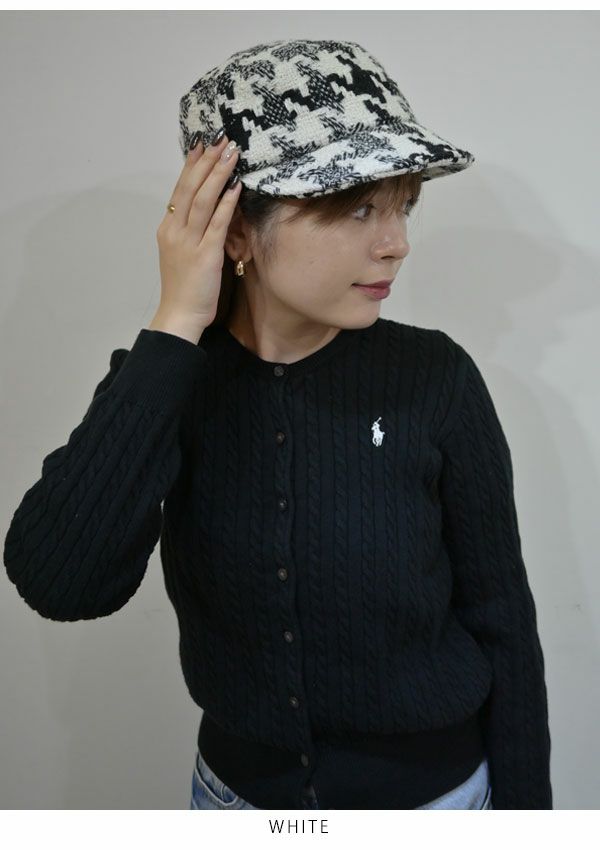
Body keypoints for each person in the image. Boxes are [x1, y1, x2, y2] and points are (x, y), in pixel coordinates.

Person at [3, 39, 552, 810]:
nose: (396, 243)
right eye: (357, 208)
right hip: (234, 801)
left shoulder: (436, 379)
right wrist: (176, 322)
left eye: (402, 207)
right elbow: (61, 584)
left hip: (439, 805)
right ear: (234, 230)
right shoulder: (166, 382)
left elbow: (502, 619)